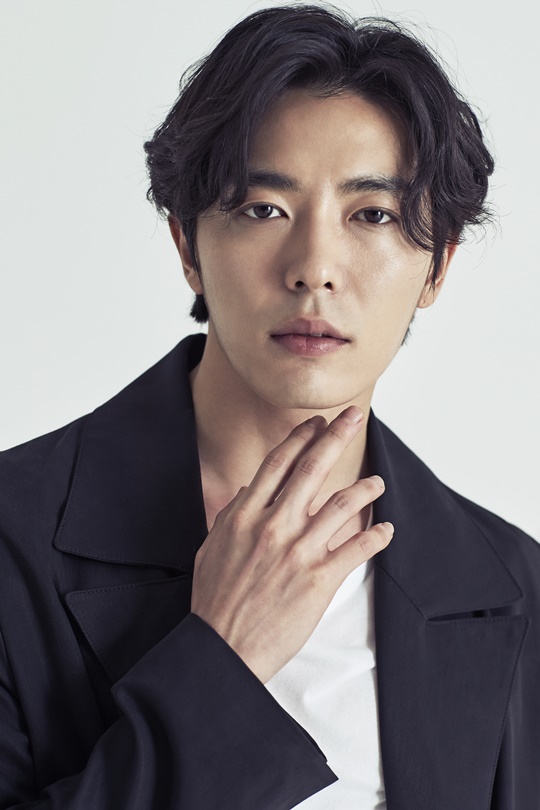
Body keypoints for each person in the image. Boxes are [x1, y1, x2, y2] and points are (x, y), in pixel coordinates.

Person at [0, 4, 538, 809]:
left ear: (437, 269)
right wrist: (223, 658)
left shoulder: (514, 587)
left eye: (372, 215)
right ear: (187, 245)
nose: (314, 267)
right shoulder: (13, 534)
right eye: (262, 208)